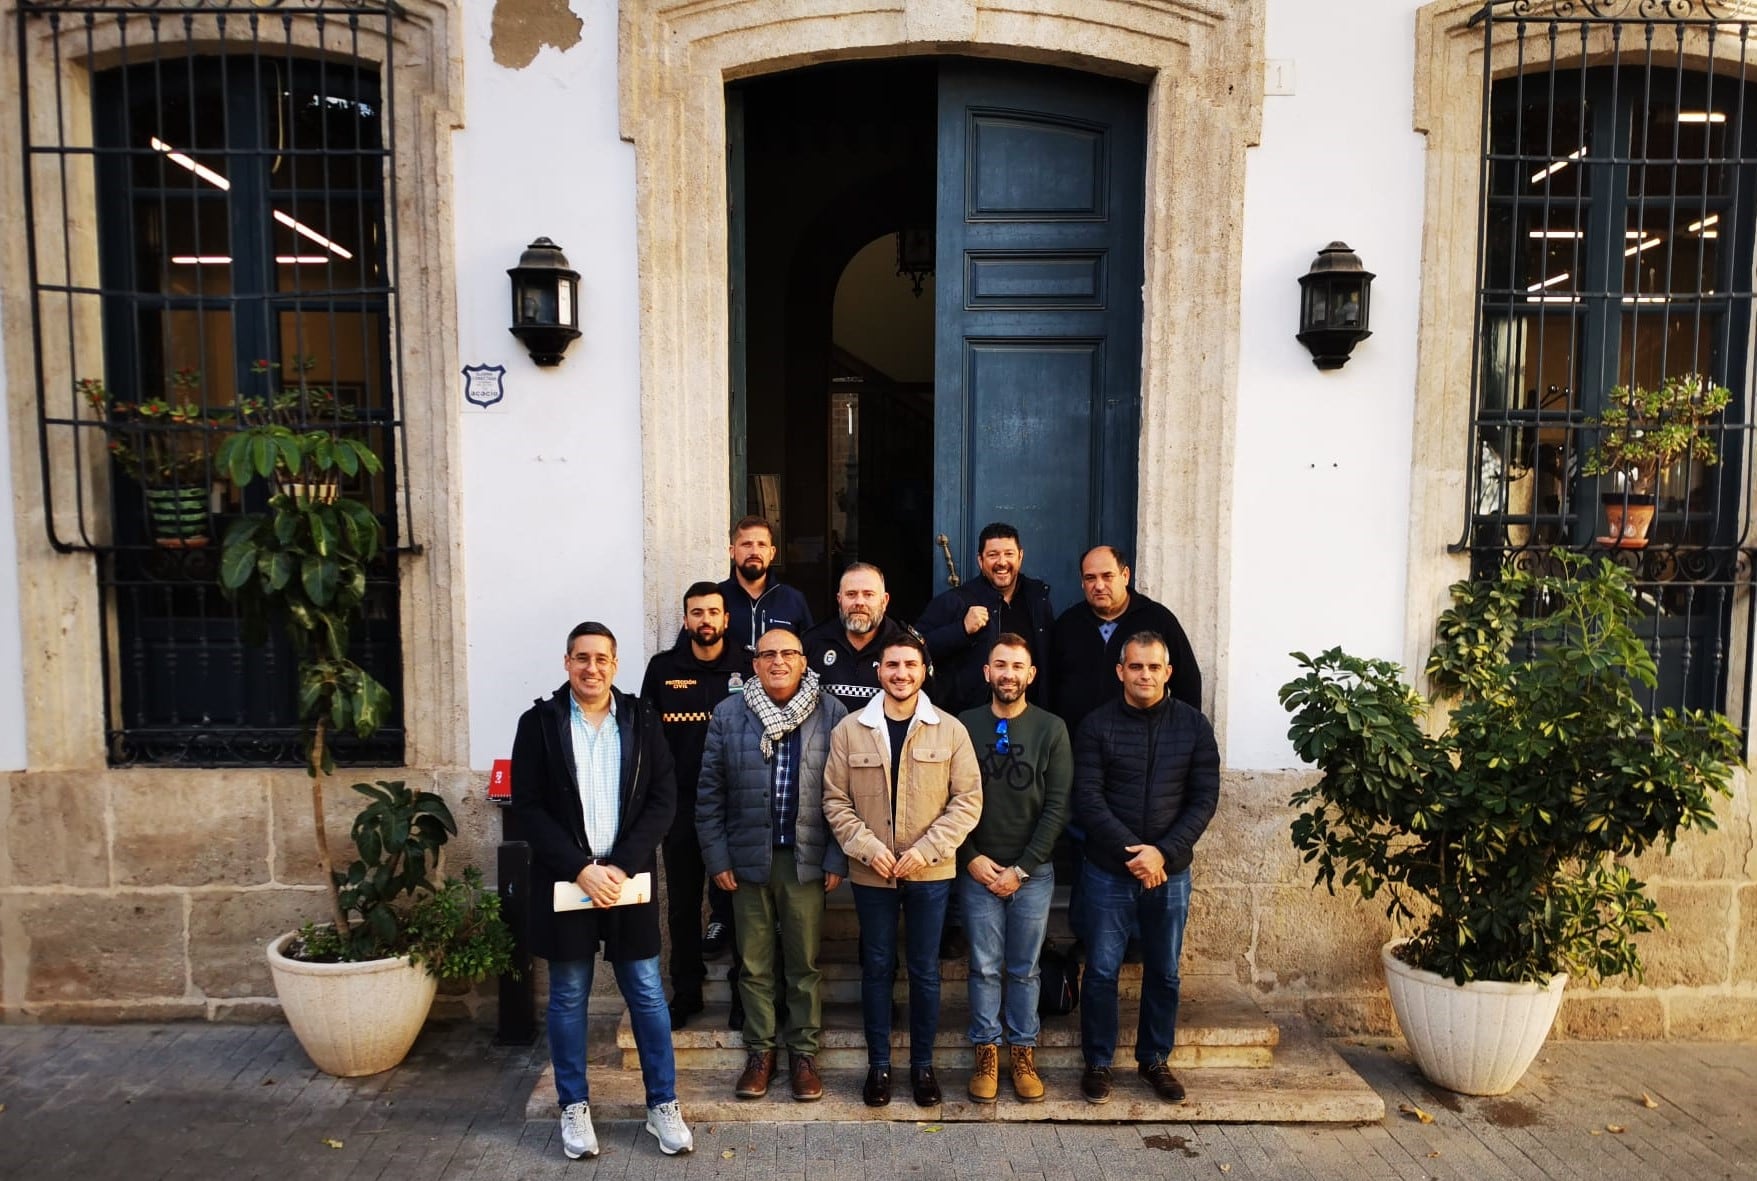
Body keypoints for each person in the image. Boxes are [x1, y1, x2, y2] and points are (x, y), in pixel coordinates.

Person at [510, 622, 694, 1159]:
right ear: (567, 662)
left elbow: (663, 798)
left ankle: (662, 1105)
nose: (592, 668)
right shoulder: (538, 724)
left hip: (627, 880)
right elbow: (528, 807)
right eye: (582, 658)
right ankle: (574, 1108)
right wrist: (579, 867)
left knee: (647, 992)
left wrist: (620, 864)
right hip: (567, 881)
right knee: (569, 995)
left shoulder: (642, 719)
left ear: (615, 665)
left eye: (602, 659)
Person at [823, 633, 982, 1109]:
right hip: (872, 872)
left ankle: (922, 1067)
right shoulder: (850, 730)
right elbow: (835, 800)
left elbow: (967, 801)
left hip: (930, 874)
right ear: (879, 671)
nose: (901, 673)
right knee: (876, 967)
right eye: (892, 665)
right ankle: (879, 1066)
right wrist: (867, 848)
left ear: (924, 670)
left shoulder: (950, 730)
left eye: (910, 665)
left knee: (924, 970)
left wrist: (927, 851)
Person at [695, 627, 847, 1103]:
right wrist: (718, 857)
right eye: (768, 655)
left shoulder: (832, 713)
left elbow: (846, 792)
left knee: (803, 964)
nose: (778, 661)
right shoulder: (729, 713)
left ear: (803, 662)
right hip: (746, 860)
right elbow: (709, 795)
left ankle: (803, 1054)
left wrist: (836, 854)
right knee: (754, 964)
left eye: (788, 653)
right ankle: (760, 1053)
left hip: (805, 859)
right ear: (755, 664)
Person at [1073, 631, 1219, 1107]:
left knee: (1165, 972)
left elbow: (1204, 799)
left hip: (1169, 874)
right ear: (1120, 671)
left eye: (1154, 667)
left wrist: (1162, 853)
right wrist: (1134, 855)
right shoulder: (1096, 726)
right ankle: (1098, 1062)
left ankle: (1154, 1059)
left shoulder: (1193, 726)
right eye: (1136, 667)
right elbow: (1088, 799)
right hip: (1108, 872)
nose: (1145, 675)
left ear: (1168, 672)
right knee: (1101, 971)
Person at [954, 634, 1071, 1104]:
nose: (1008, 674)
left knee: (1024, 967)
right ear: (987, 672)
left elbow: (1058, 806)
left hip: (1032, 873)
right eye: (1000, 665)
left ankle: (1023, 1050)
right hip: (978, 868)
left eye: (1017, 666)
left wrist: (1021, 868)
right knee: (984, 966)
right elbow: (946, 797)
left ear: (1031, 674)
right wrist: (970, 857)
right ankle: (986, 1049)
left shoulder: (1051, 729)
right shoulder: (963, 725)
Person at [639, 581, 750, 1028]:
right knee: (683, 906)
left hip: (737, 806)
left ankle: (745, 995)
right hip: (681, 805)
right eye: (697, 612)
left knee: (742, 904)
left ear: (727, 619)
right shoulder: (663, 669)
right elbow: (646, 741)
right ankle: (686, 992)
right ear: (686, 620)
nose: (706, 620)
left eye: (713, 612)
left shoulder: (749, 665)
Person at [1048, 545, 1201, 735]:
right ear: (1082, 582)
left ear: (1125, 575)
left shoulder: (1158, 620)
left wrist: (1179, 738)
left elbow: (1187, 684)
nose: (1099, 586)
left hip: (1142, 743)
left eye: (1107, 576)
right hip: (1078, 743)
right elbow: (1049, 687)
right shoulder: (1067, 624)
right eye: (1090, 578)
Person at [916, 522, 1054, 714]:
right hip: (972, 718)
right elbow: (915, 647)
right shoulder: (956, 601)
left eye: (1009, 554)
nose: (1002, 562)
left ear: (1020, 556)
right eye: (993, 555)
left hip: (1028, 717)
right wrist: (961, 630)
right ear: (980, 560)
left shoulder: (1037, 599)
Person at [803, 562, 929, 714]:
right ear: (839, 599)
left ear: (884, 601)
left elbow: (928, 707)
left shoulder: (908, 646)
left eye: (868, 594)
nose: (859, 602)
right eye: (851, 594)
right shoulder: (813, 642)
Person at [718, 516, 813, 657]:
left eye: (762, 545)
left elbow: (810, 653)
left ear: (772, 552)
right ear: (732, 551)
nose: (754, 552)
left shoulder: (793, 599)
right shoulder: (716, 598)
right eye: (746, 544)